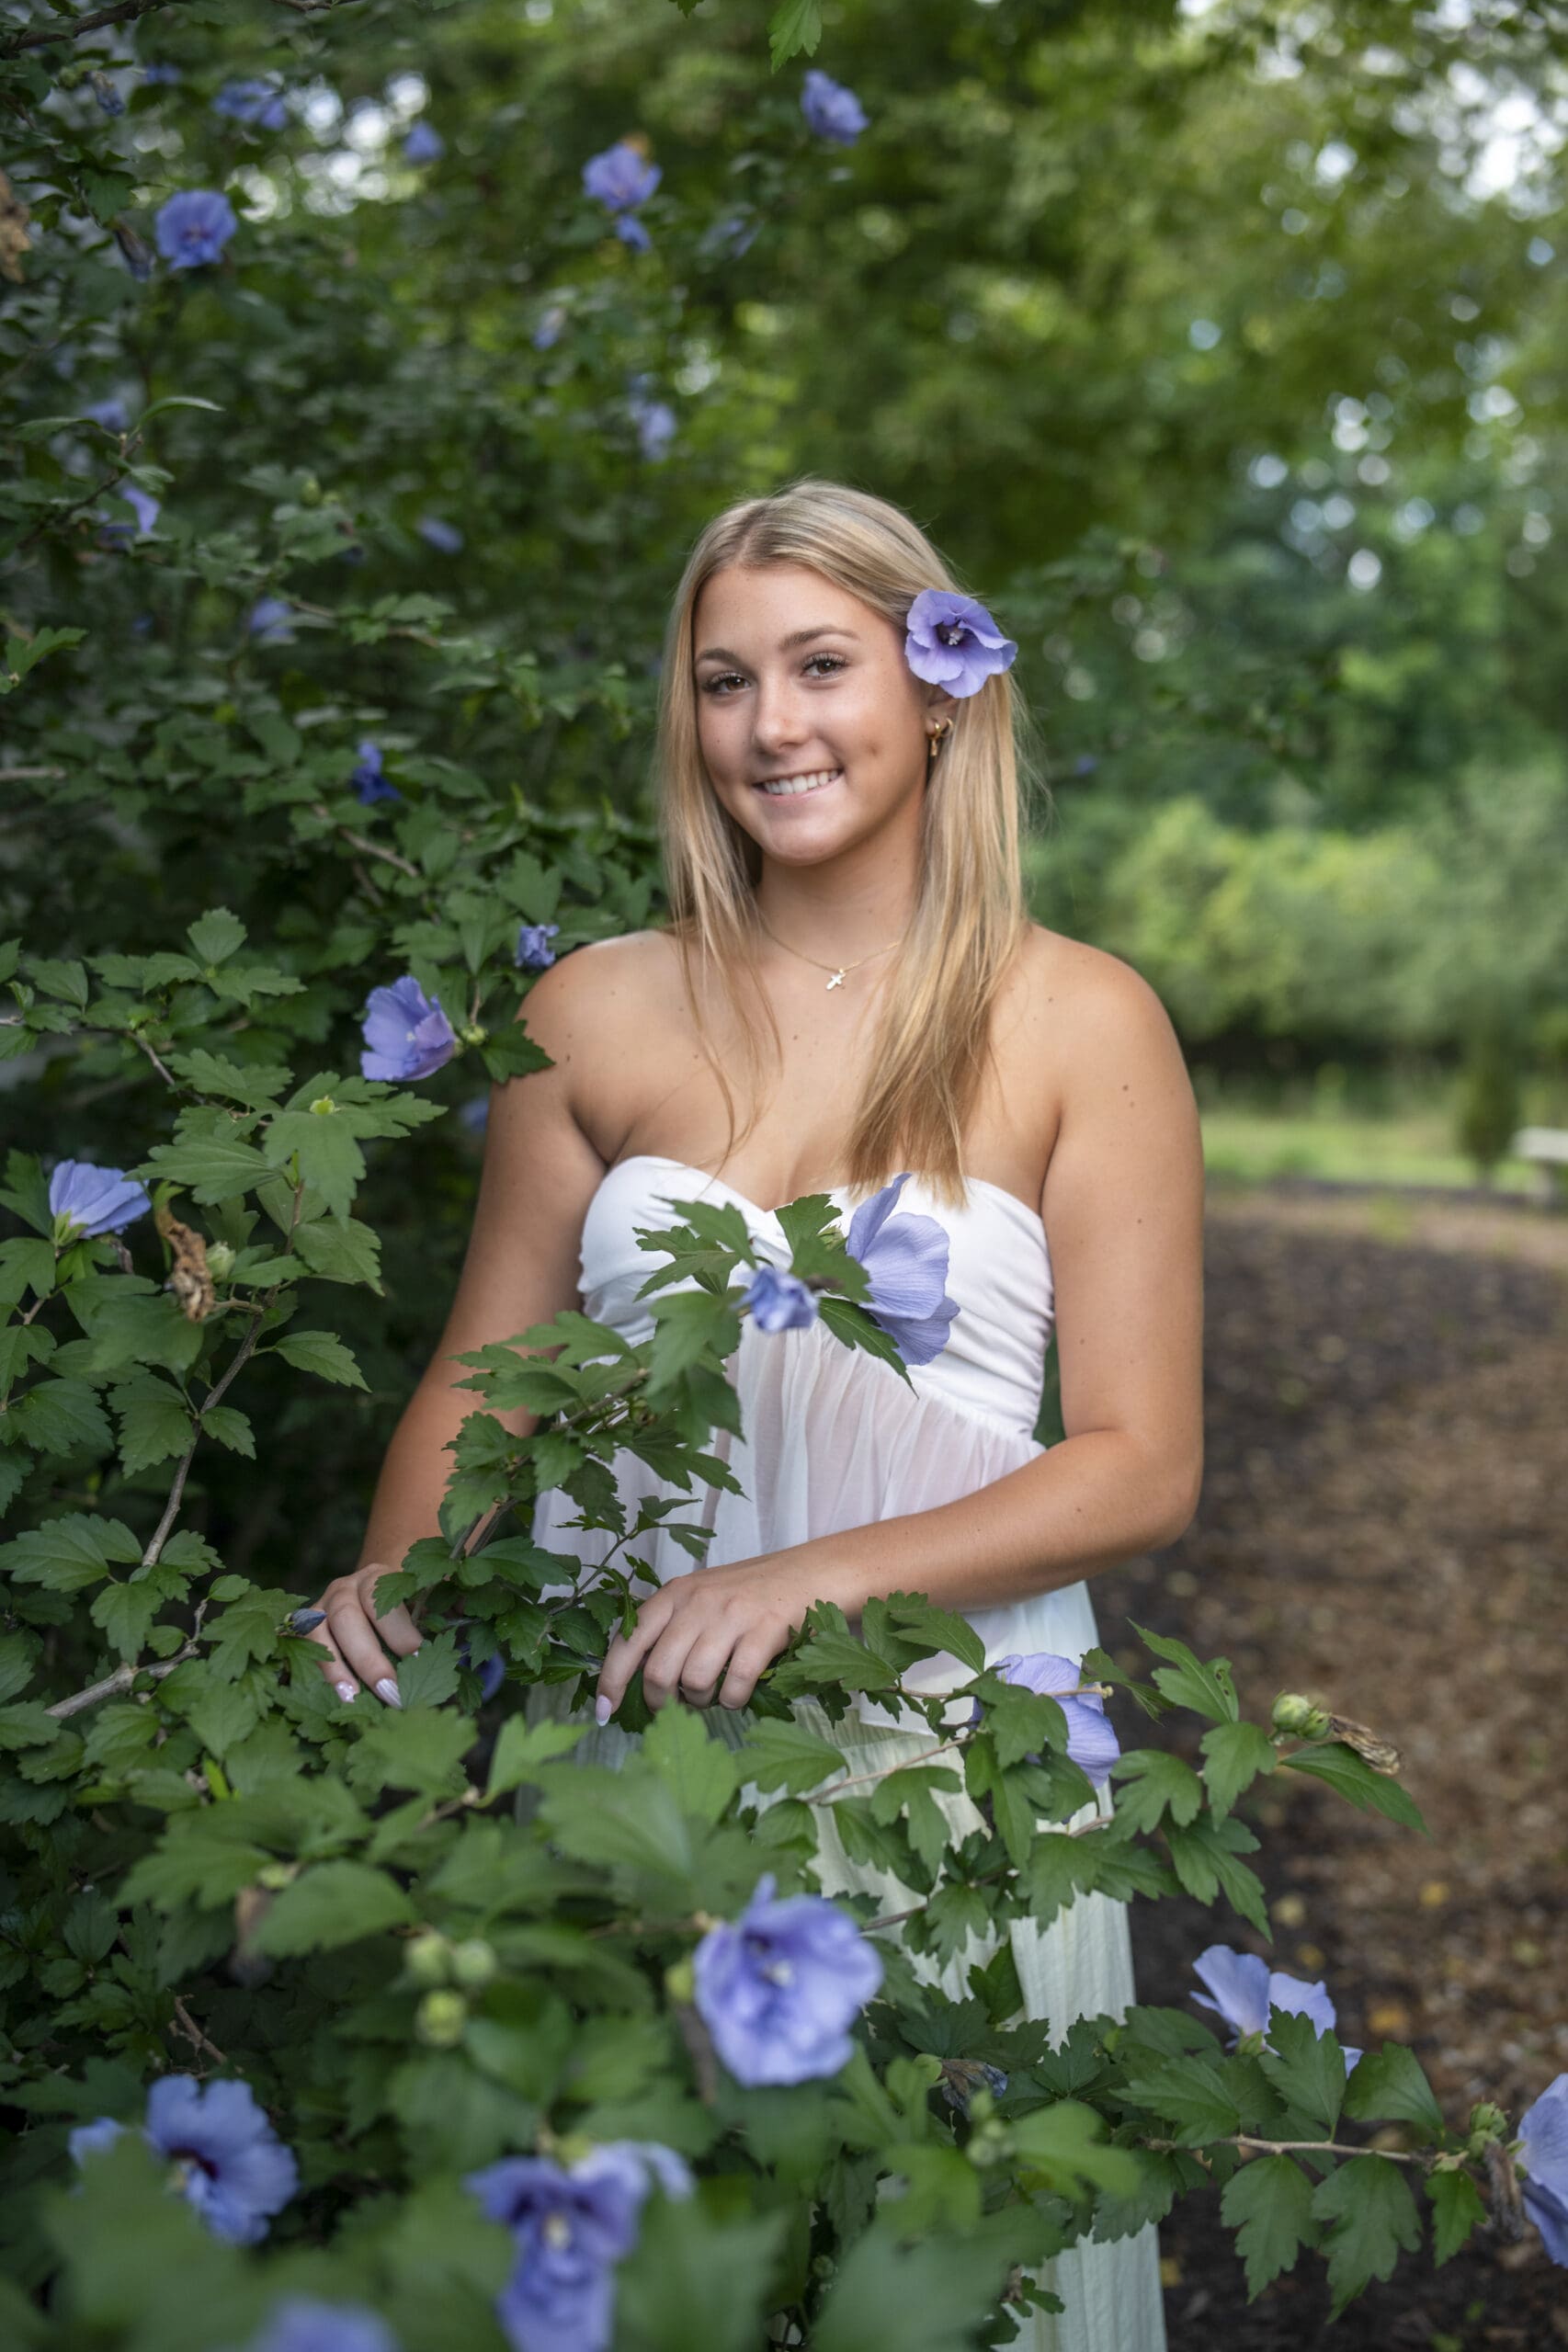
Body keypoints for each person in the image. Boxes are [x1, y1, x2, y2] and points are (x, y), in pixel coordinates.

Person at [305, 478, 1202, 2350]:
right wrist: (387, 1594)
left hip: (957, 1749)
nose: (770, 725)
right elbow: (483, 1382)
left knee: (929, 2262)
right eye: (725, 680)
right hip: (627, 1723)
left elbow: (1141, 1459)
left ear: (942, 684)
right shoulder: (596, 1012)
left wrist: (813, 1576)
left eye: (819, 664)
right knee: (658, 2265)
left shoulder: (1075, 1018)